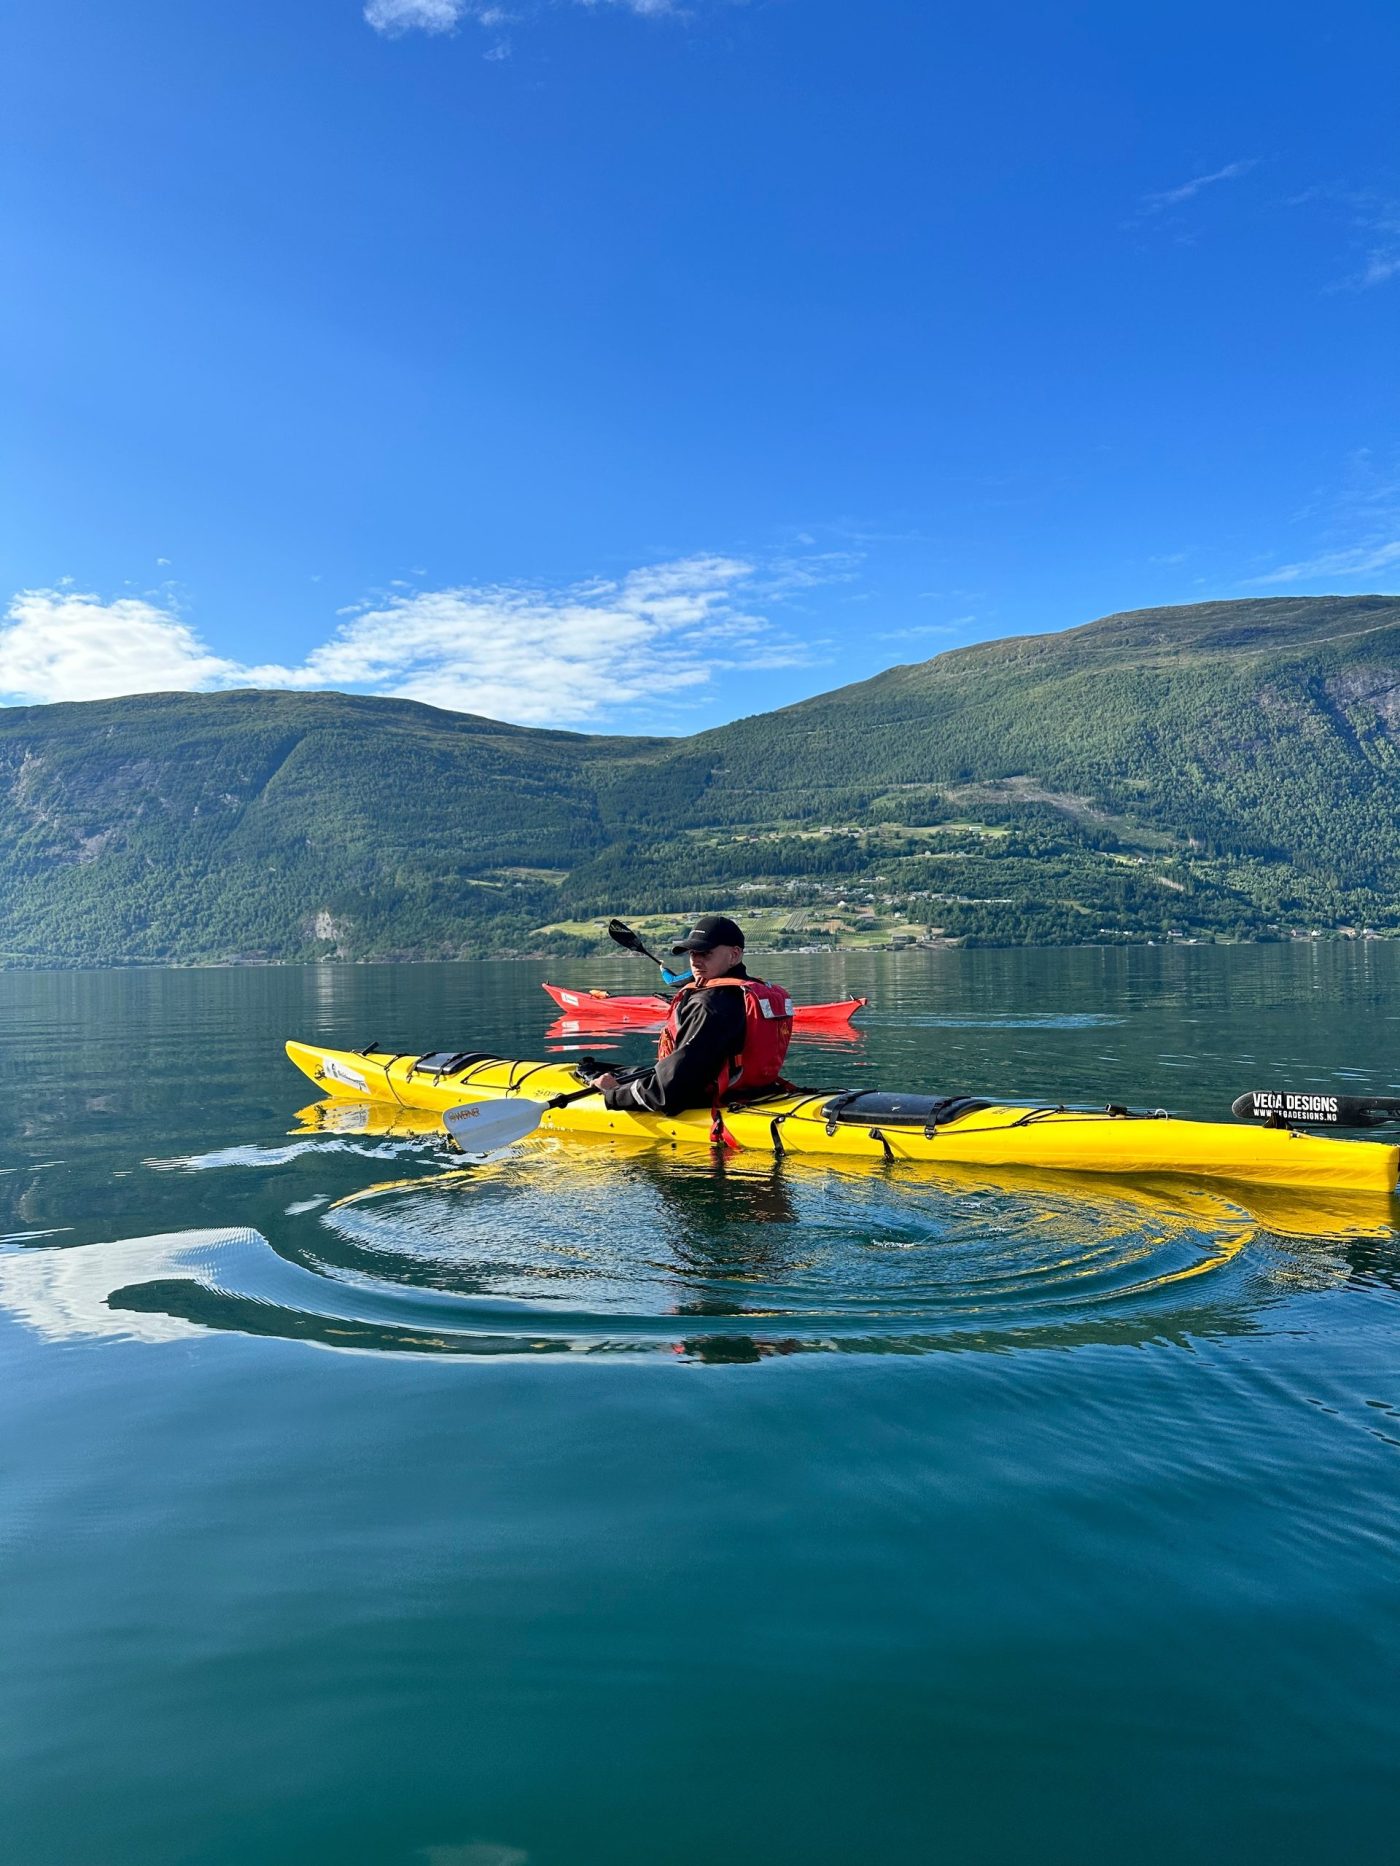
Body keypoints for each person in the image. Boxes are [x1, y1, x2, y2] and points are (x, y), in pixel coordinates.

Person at [590, 914, 792, 1119]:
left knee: (614, 1079)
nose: (696, 960)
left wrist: (614, 1093)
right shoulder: (745, 992)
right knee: (602, 1069)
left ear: (734, 955)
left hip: (709, 1100)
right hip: (757, 1092)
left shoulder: (708, 1005)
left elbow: (672, 1090)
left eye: (705, 953)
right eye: (692, 953)